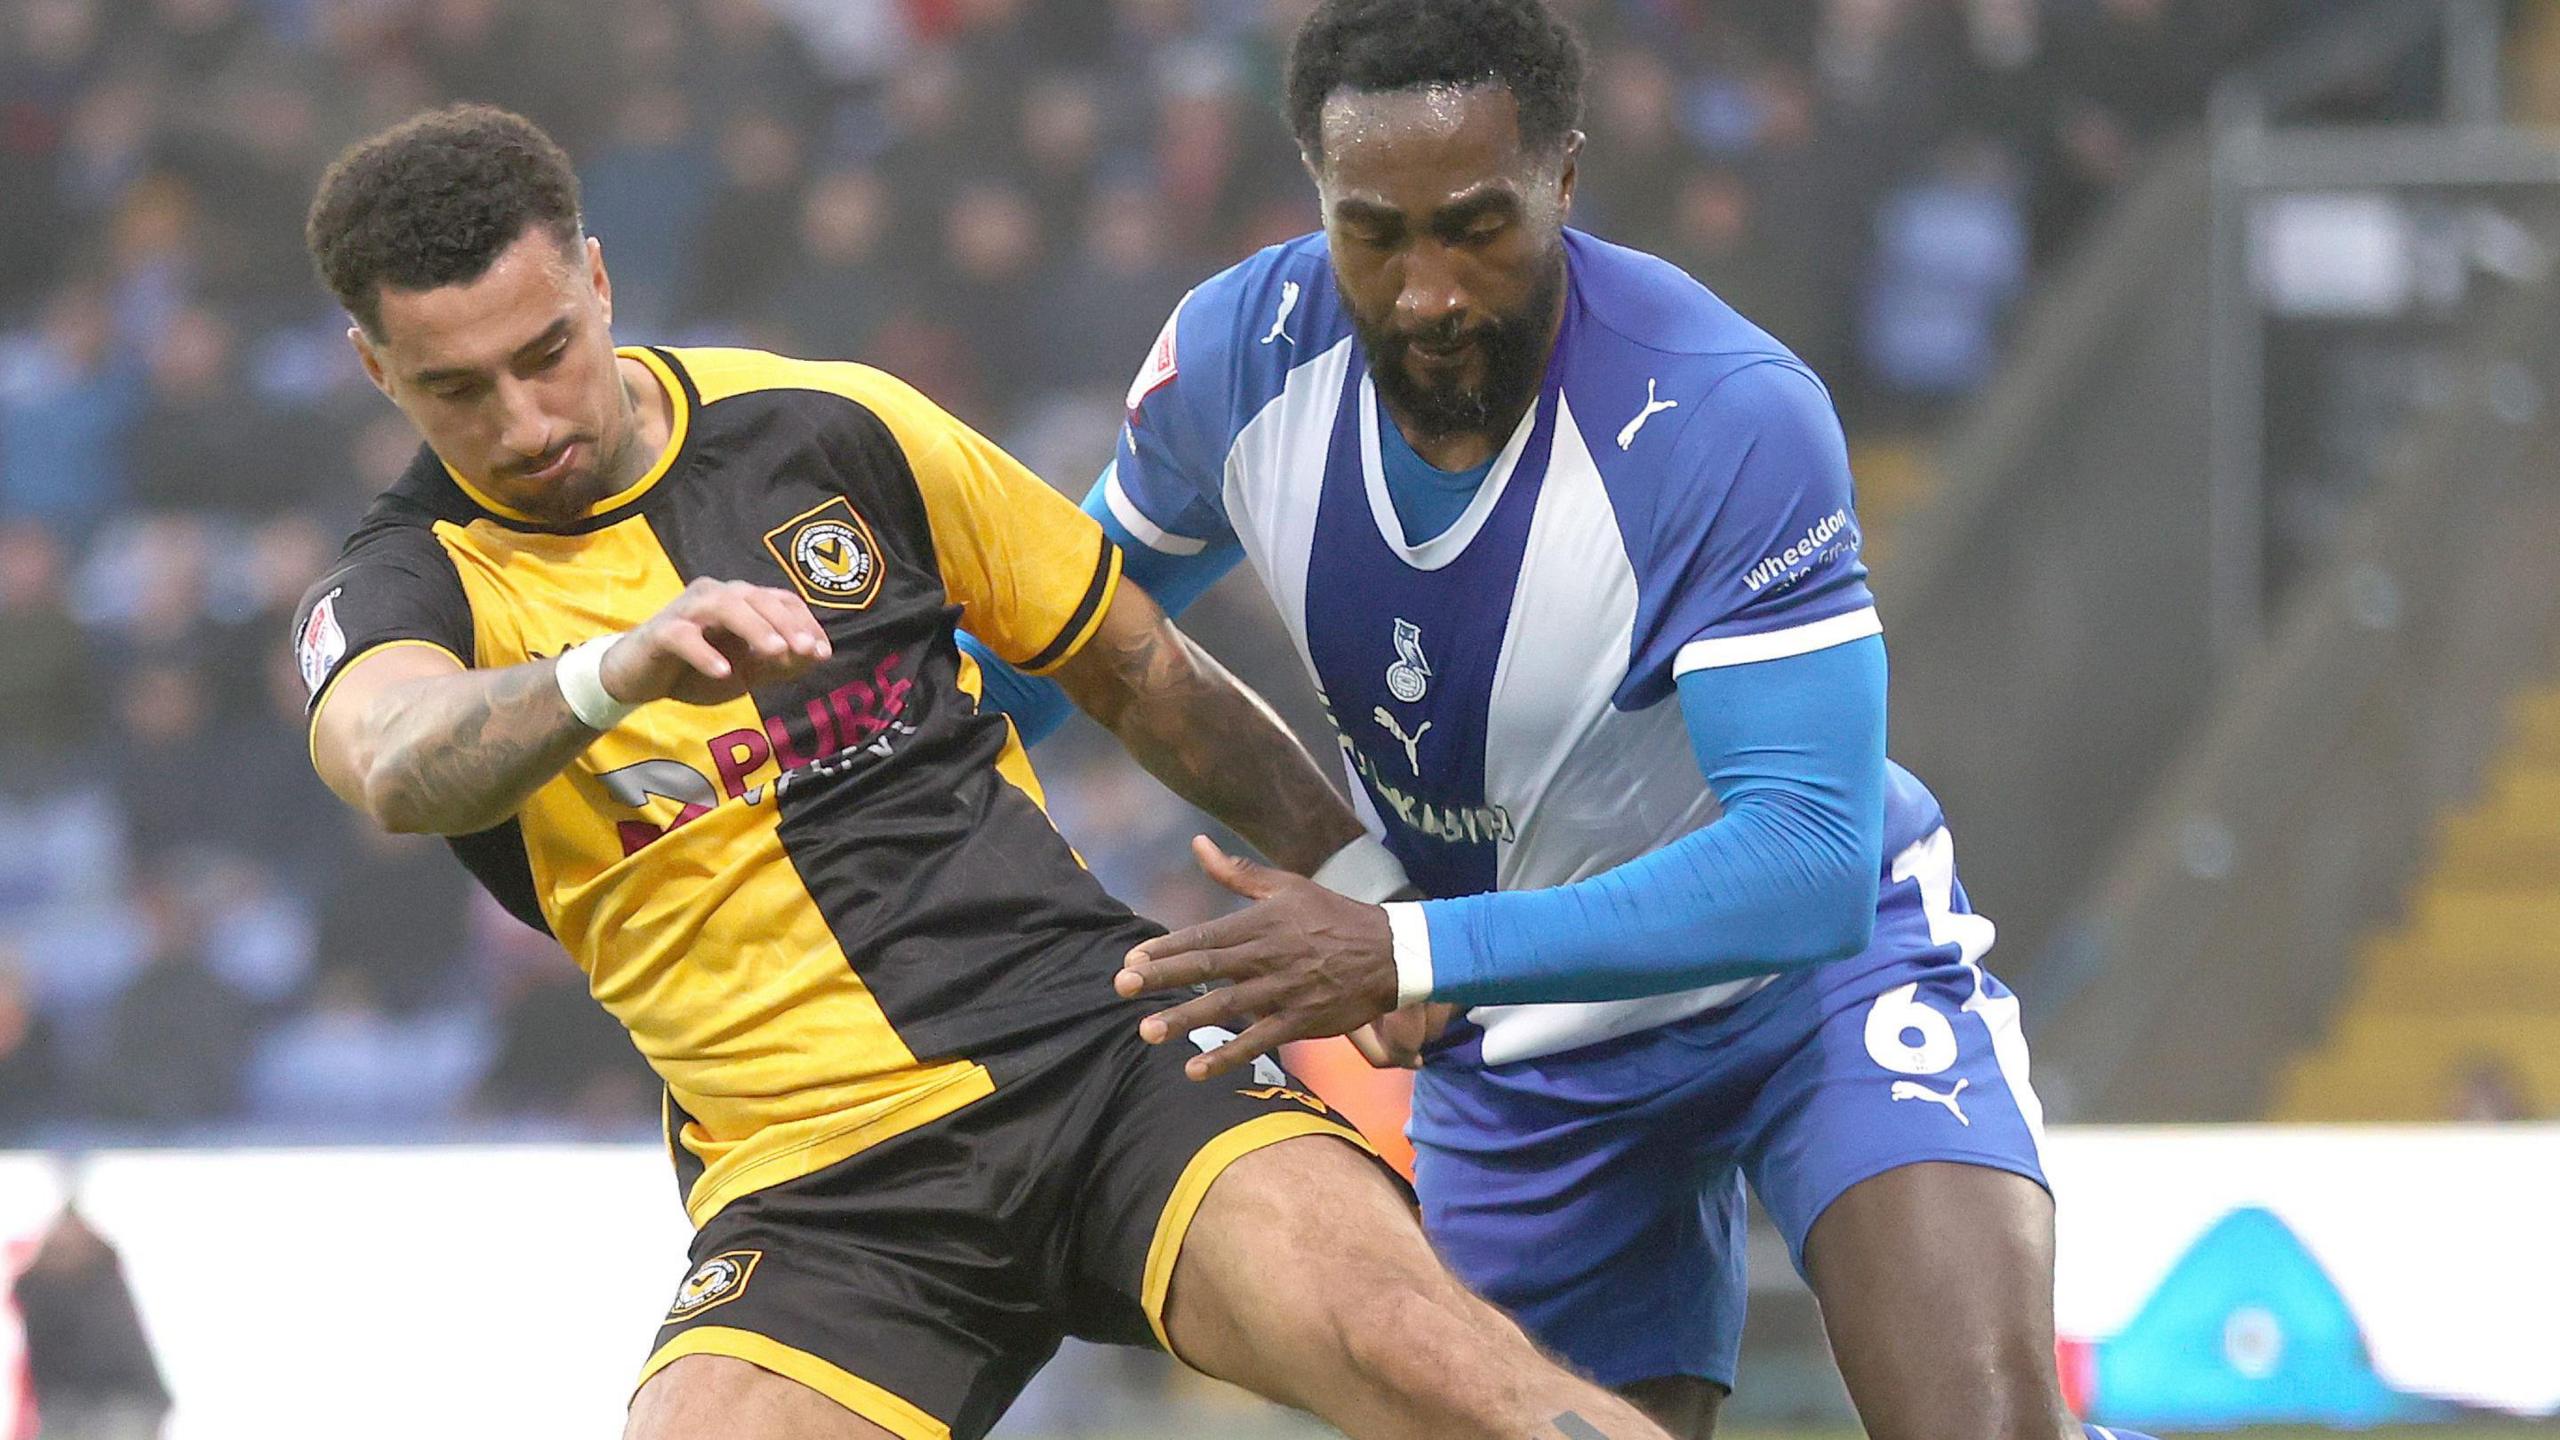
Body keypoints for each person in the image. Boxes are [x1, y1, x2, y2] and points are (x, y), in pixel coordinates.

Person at [289, 104, 1671, 1440]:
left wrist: (1362, 884)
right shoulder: (408, 584)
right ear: (374, 372)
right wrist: (613, 670)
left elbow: (1134, 666)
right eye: (458, 390)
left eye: (547, 353)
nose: (528, 422)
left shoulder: (831, 429)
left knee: (1423, 1358)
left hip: (1102, 1057)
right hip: (820, 1187)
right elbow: (400, 761)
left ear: (596, 281)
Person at [961, 4, 2164, 1439]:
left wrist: (1399, 942)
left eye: (1478, 227)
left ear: (1566, 180)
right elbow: (1066, 635)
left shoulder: (1722, 413)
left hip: (1807, 996)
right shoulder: (1236, 359)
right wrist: (821, 742)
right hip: (1523, 1047)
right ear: (1315, 199)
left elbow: (1808, 861)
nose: (1428, 292)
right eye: (1375, 234)